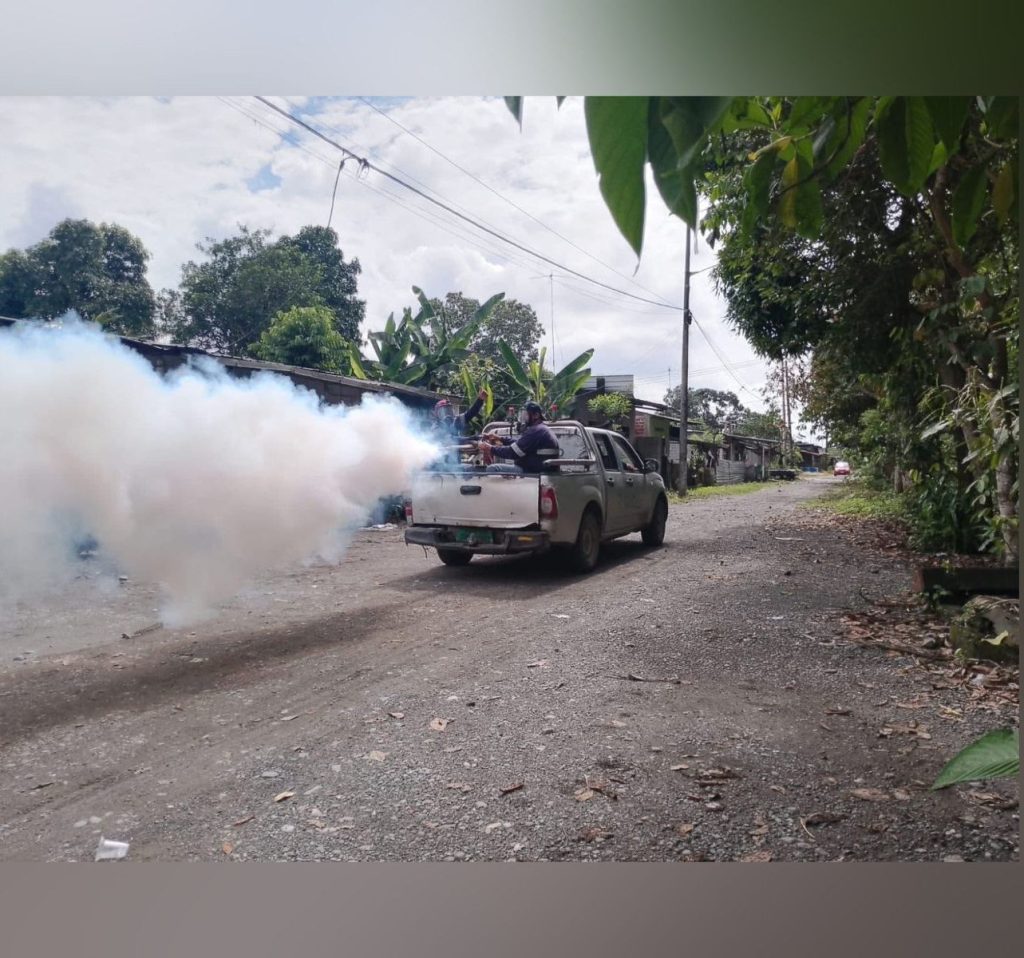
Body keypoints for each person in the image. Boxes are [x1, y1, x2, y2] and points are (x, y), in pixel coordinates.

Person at [479, 401, 560, 473]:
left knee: (493, 468)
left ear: (536, 415)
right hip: (538, 470)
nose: (523, 418)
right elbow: (520, 444)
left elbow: (512, 452)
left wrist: (490, 448)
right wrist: (500, 438)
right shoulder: (541, 429)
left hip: (532, 472)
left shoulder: (536, 431)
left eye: (526, 415)